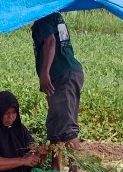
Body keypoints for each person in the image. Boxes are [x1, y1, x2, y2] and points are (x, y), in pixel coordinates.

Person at [32, 11, 85, 162]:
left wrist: (45, 72)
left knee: (66, 126)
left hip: (63, 76)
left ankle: (76, 170)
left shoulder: (43, 15)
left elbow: (50, 41)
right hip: (62, 76)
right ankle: (56, 167)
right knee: (55, 124)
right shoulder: (52, 14)